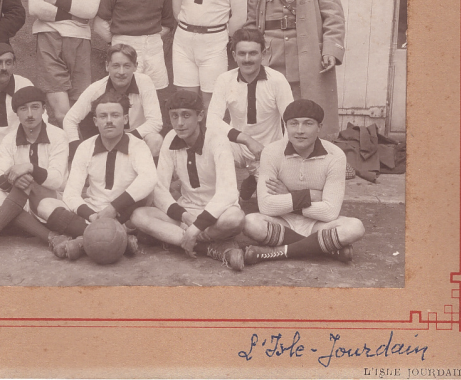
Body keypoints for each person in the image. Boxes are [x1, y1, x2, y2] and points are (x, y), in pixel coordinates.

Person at [246, 0, 345, 139]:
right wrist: (251, 55)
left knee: (309, 110)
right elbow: (252, 23)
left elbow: (334, 16)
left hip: (307, 57)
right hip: (271, 58)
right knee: (271, 111)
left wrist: (331, 49)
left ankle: (321, 157)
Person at [131, 90, 246, 271]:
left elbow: (228, 192)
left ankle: (180, 239)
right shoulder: (170, 139)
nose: (180, 123)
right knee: (139, 215)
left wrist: (196, 227)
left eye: (186, 116)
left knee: (236, 218)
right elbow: (159, 188)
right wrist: (185, 216)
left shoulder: (217, 140)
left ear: (200, 116)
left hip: (216, 215)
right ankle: (209, 248)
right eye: (174, 116)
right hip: (187, 213)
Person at [242, 99, 365, 265]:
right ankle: (324, 249)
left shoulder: (335, 155)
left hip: (319, 225)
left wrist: (288, 196)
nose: (300, 130)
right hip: (282, 221)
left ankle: (279, 252)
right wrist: (311, 196)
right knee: (250, 222)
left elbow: (330, 212)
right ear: (286, 127)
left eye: (308, 124)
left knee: (355, 227)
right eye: (293, 124)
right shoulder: (271, 152)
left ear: (319, 127)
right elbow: (266, 206)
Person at [0, 86, 71, 258]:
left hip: (52, 201)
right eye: (23, 109)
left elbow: (57, 181)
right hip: (21, 202)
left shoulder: (58, 135)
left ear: (44, 109)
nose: (30, 114)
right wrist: (12, 179)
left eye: (35, 107)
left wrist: (29, 167)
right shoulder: (10, 139)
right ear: (16, 113)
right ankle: (50, 237)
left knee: (26, 182)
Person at [39, 91, 158, 260]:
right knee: (45, 205)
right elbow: (71, 193)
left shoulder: (137, 146)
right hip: (92, 214)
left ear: (125, 119)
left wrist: (114, 208)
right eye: (103, 116)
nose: (109, 120)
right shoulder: (85, 147)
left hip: (124, 215)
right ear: (95, 121)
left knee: (146, 201)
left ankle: (83, 242)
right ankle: (117, 241)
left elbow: (149, 179)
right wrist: (92, 215)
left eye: (115, 115)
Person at [206, 28, 294, 202]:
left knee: (270, 205)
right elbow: (212, 120)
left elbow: (291, 120)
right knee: (212, 144)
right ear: (234, 55)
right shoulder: (225, 79)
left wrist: (278, 153)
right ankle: (226, 195)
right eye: (242, 54)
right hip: (238, 145)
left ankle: (254, 180)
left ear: (263, 54)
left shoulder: (277, 80)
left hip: (268, 151)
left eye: (253, 53)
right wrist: (246, 139)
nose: (247, 59)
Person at [28, 0, 101, 124]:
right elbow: (34, 7)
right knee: (61, 111)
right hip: (49, 38)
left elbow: (90, 10)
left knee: (81, 104)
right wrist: (75, 13)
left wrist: (56, 1)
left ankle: (75, 152)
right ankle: (66, 151)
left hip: (80, 42)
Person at [63, 43, 164, 157]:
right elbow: (70, 119)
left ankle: (150, 174)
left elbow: (155, 122)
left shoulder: (144, 82)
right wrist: (75, 146)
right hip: (108, 141)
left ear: (135, 66)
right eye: (116, 66)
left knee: (155, 140)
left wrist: (127, 139)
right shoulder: (97, 88)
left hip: (138, 138)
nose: (121, 72)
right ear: (107, 66)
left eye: (127, 66)